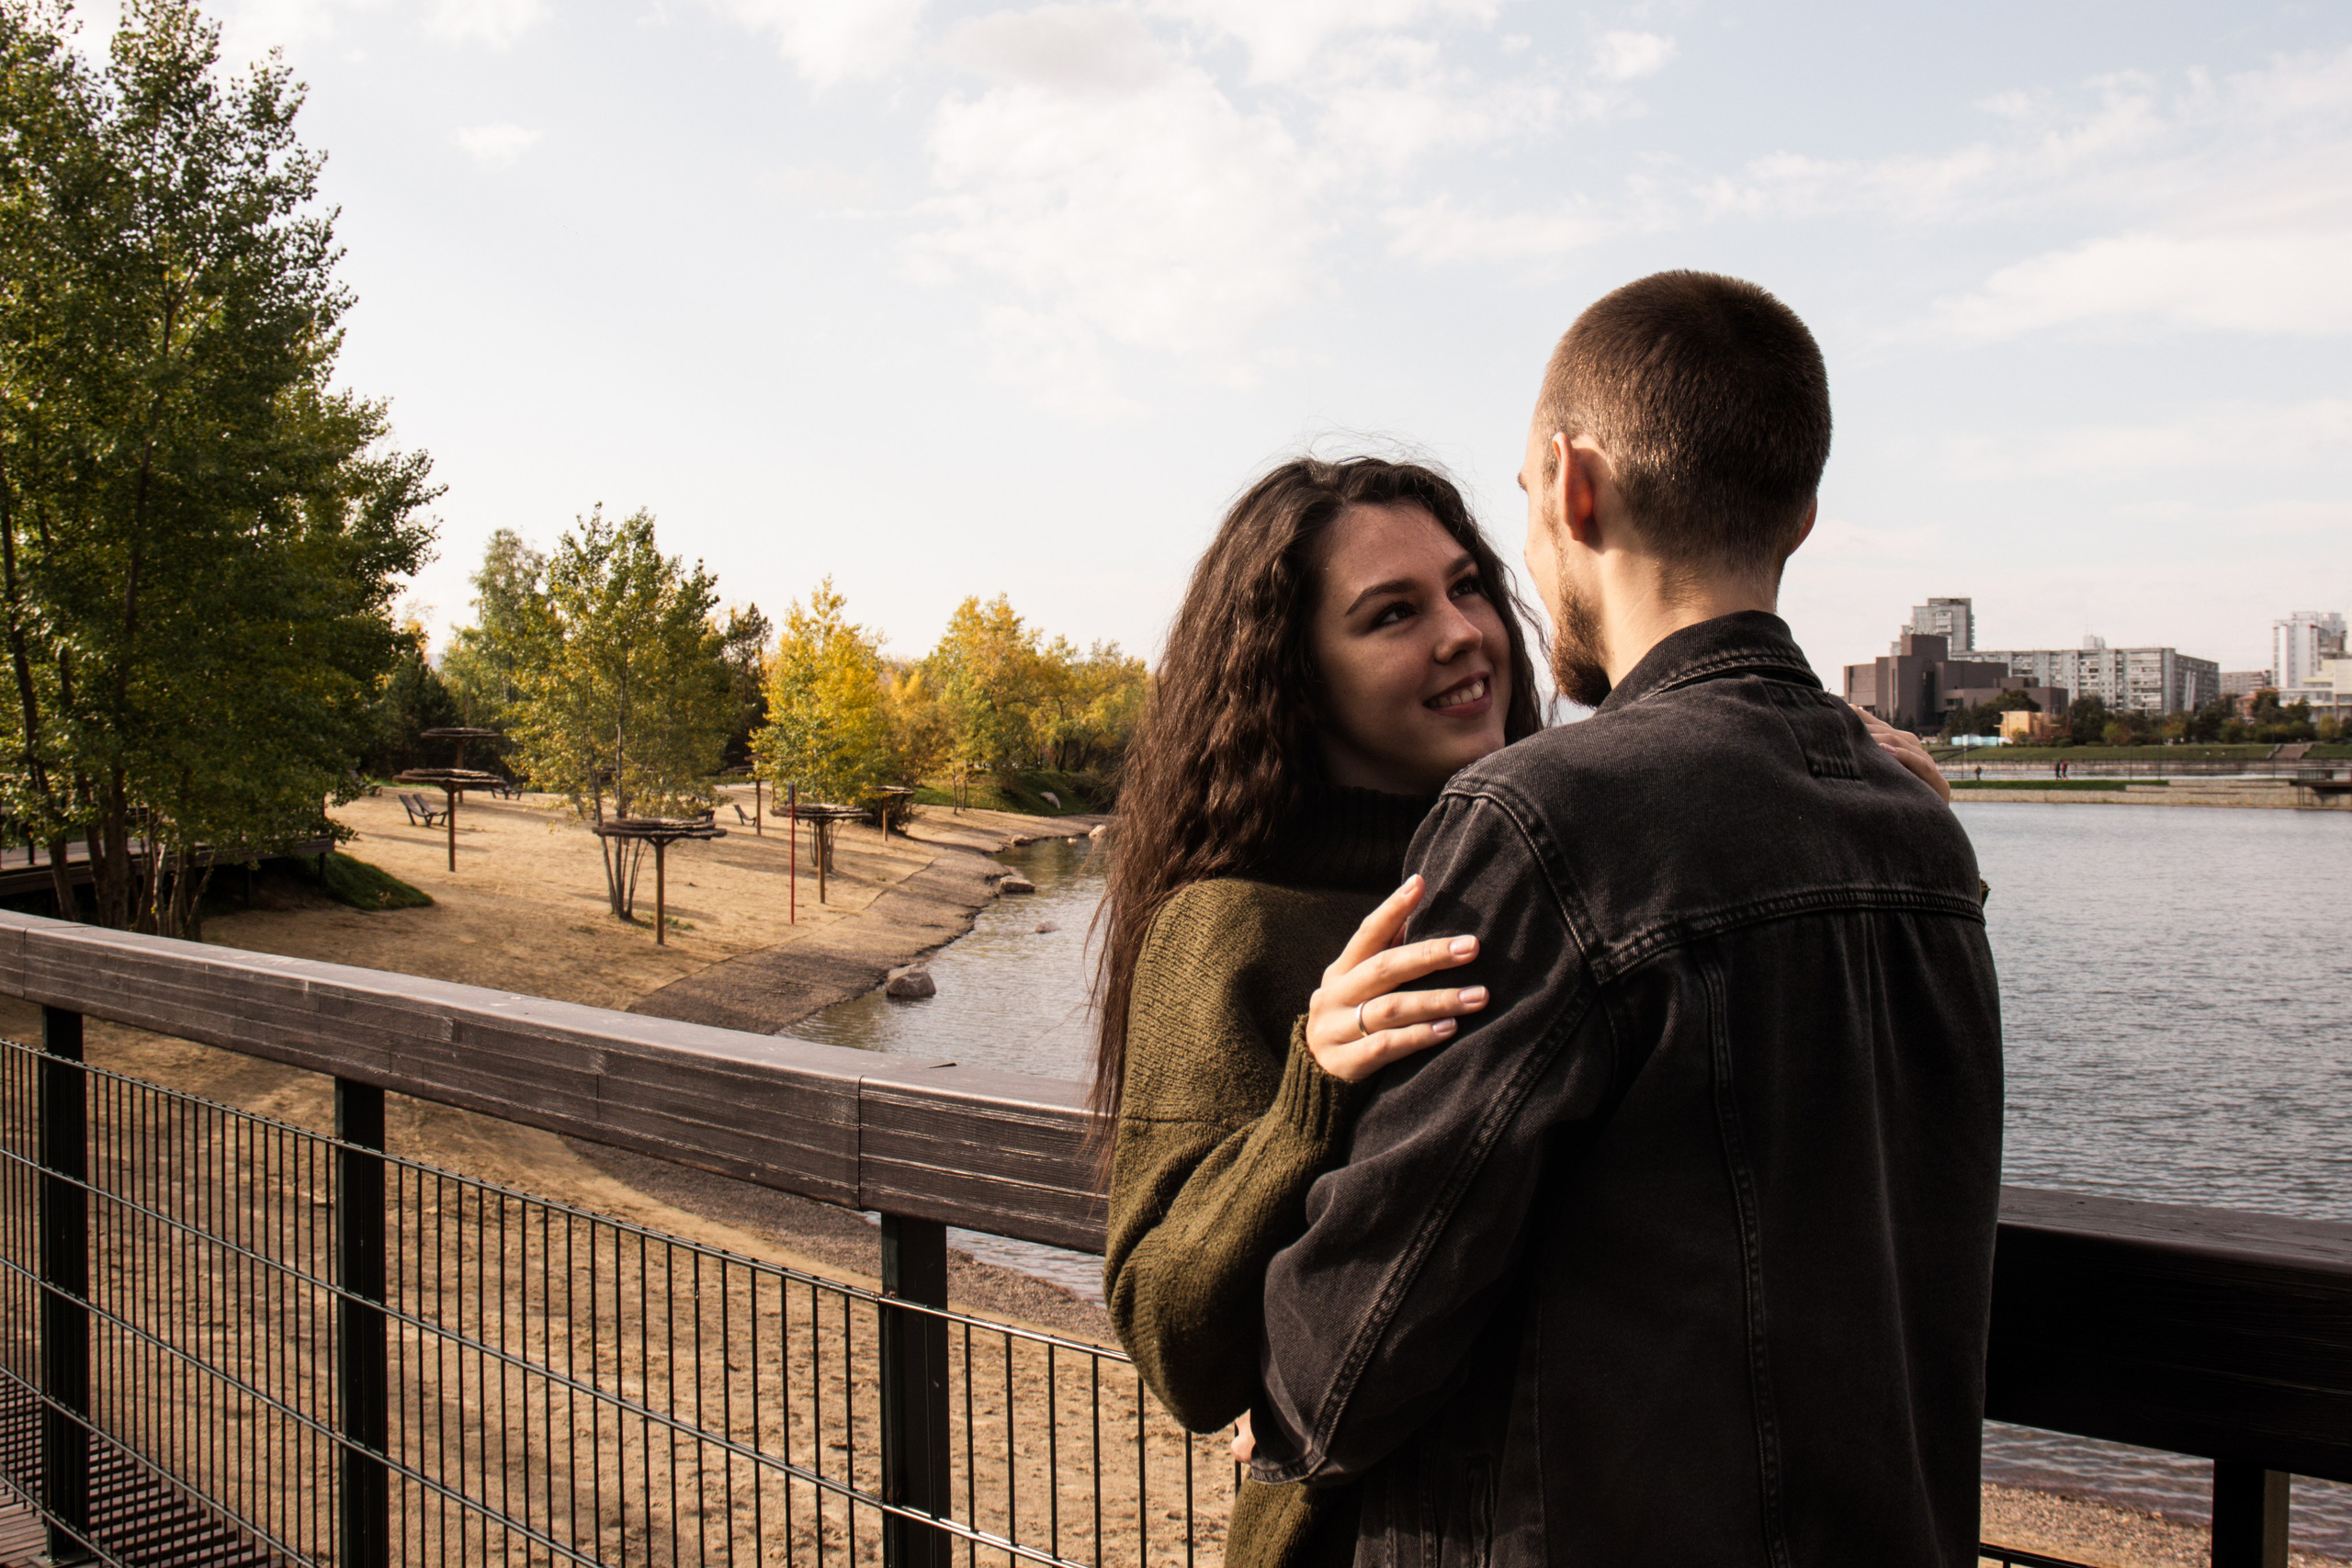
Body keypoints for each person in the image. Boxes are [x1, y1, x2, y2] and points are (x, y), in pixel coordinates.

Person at [1246, 273, 2005, 1567]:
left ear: (1572, 483)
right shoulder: (1919, 826)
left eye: (1526, 513)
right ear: (1802, 514)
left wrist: (1276, 1382)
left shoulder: (1542, 819)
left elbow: (1347, 1355)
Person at [1097, 455, 1957, 1568]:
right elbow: (1175, 1340)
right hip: (1360, 1537)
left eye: (1465, 586)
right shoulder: (1232, 929)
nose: (1463, 632)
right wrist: (1313, 1091)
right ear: (1294, 674)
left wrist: (1834, 784)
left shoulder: (1565, 851)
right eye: (1392, 614)